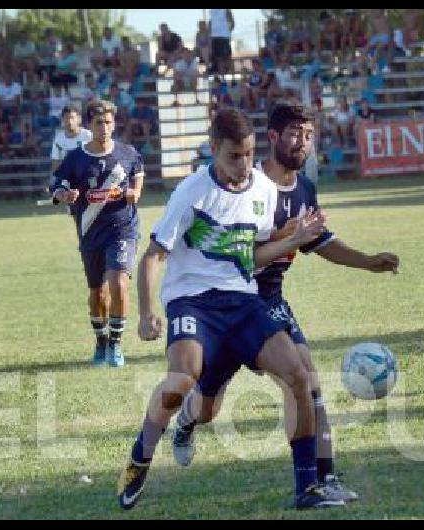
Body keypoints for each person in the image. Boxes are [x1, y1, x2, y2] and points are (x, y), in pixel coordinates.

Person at [169, 100, 400, 504]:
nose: (302, 143)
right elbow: (236, 247)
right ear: (272, 137)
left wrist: (368, 262)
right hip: (226, 305)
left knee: (306, 379)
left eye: (309, 135)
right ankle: (187, 419)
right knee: (207, 408)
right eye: (294, 133)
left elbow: (321, 242)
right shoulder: (247, 184)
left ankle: (320, 479)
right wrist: (284, 237)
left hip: (270, 300)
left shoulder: (305, 190)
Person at [116, 107, 341, 511]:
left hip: (243, 300)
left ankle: (307, 487)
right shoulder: (191, 192)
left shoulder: (263, 190)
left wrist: (296, 240)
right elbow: (153, 256)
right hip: (193, 301)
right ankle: (140, 457)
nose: (243, 166)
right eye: (233, 157)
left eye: (248, 154)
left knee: (298, 377)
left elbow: (254, 256)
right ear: (213, 149)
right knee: (183, 380)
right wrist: (147, 311)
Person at [49, 99, 145, 367]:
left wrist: (135, 192)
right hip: (91, 232)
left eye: (109, 122)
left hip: (122, 229)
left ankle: (115, 345)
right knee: (97, 293)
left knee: (118, 283)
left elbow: (138, 171)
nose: (105, 127)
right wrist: (65, 195)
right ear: (89, 126)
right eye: (99, 123)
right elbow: (56, 186)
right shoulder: (77, 158)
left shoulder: (126, 153)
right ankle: (101, 341)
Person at [51, 104, 93, 221]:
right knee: (78, 215)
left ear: (79, 119)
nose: (69, 121)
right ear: (62, 120)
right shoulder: (59, 139)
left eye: (72, 117)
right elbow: (55, 164)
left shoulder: (88, 136)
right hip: (69, 181)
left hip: (87, 178)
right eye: (66, 118)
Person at [209, 8, 235, 75]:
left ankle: (233, 79)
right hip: (214, 37)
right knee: (218, 59)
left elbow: (232, 22)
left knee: (226, 58)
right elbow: (211, 21)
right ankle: (223, 79)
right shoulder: (212, 10)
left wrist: (227, 31)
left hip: (223, 36)